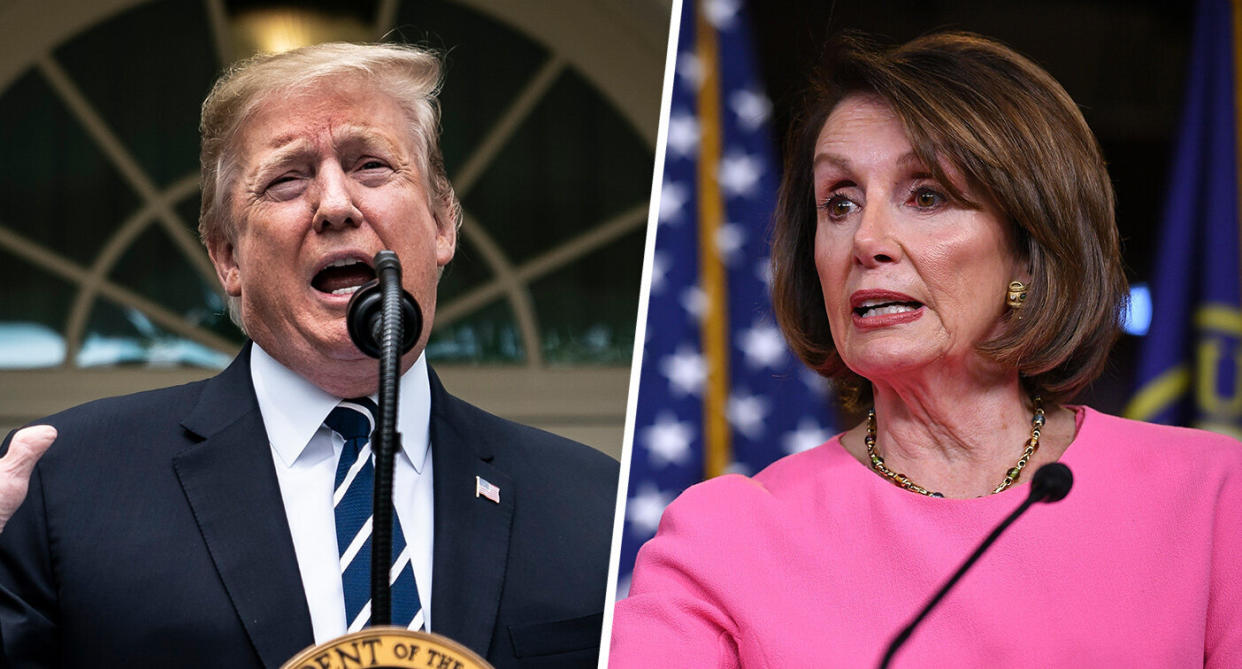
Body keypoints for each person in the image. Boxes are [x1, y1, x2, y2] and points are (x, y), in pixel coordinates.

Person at [610, 32, 1242, 667]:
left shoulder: (1213, 498)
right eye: (840, 203)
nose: (867, 239)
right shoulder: (725, 539)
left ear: (1029, 244)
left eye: (927, 195)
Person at [0, 42, 617, 668]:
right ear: (228, 257)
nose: (335, 206)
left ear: (442, 224)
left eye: (371, 166)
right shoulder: (65, 487)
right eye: (287, 179)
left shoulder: (595, 504)